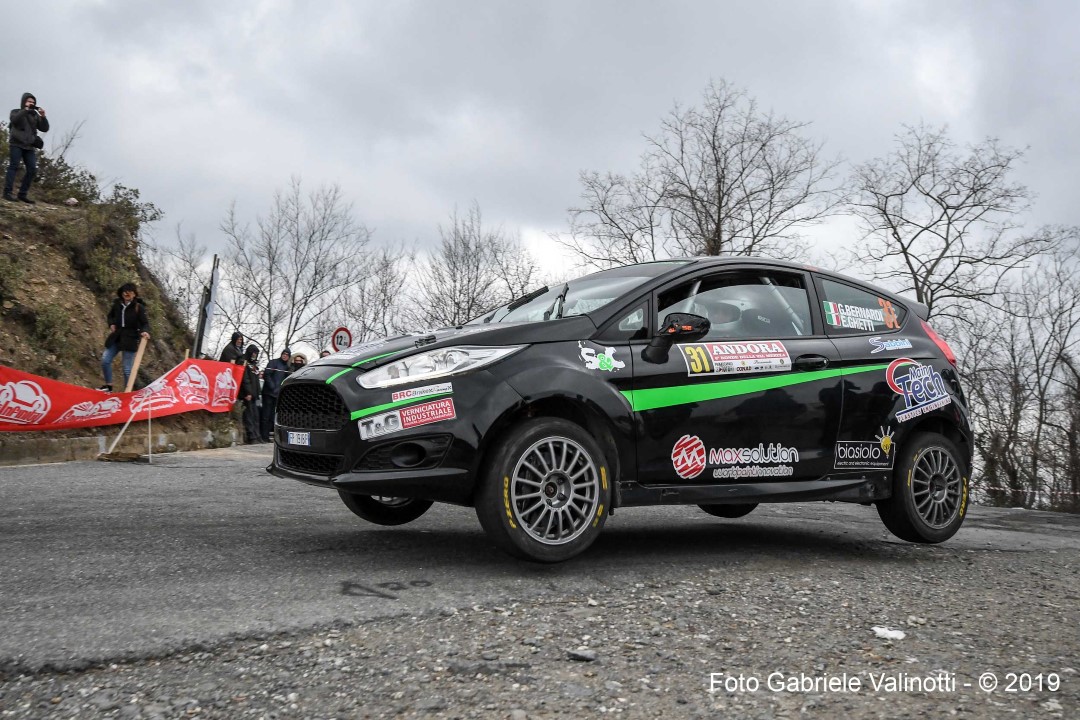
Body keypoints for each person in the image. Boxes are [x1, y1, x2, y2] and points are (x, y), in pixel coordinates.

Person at [99, 283, 150, 392]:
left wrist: (145, 331)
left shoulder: (138, 307)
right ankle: (108, 387)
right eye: (125, 292)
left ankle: (127, 393)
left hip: (130, 339)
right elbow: (110, 316)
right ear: (121, 293)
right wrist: (111, 324)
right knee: (105, 360)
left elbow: (145, 323)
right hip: (116, 336)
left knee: (127, 370)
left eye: (130, 292)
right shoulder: (117, 304)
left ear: (134, 294)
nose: (127, 294)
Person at [4, 93, 49, 204]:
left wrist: (43, 117)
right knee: (13, 166)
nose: (31, 103)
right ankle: (7, 193)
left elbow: (44, 128)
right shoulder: (15, 112)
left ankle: (22, 194)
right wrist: (25, 110)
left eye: (33, 102)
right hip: (16, 144)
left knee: (32, 169)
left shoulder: (34, 115)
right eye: (29, 101)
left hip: (29, 146)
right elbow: (15, 120)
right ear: (24, 102)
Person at [260, 348, 291, 442]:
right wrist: (272, 387)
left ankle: (267, 436)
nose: (285, 355)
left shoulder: (287, 367)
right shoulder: (273, 362)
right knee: (265, 415)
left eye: (287, 355)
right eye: (283, 353)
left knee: (272, 416)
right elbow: (267, 374)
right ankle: (263, 436)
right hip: (268, 393)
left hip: (277, 395)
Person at [240, 344, 262, 443]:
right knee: (249, 416)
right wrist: (248, 392)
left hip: (256, 395)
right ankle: (252, 437)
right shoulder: (244, 362)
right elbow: (245, 379)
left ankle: (257, 435)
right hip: (248, 394)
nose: (254, 355)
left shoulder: (254, 365)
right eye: (253, 353)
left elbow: (257, 380)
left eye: (256, 353)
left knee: (256, 416)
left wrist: (258, 393)